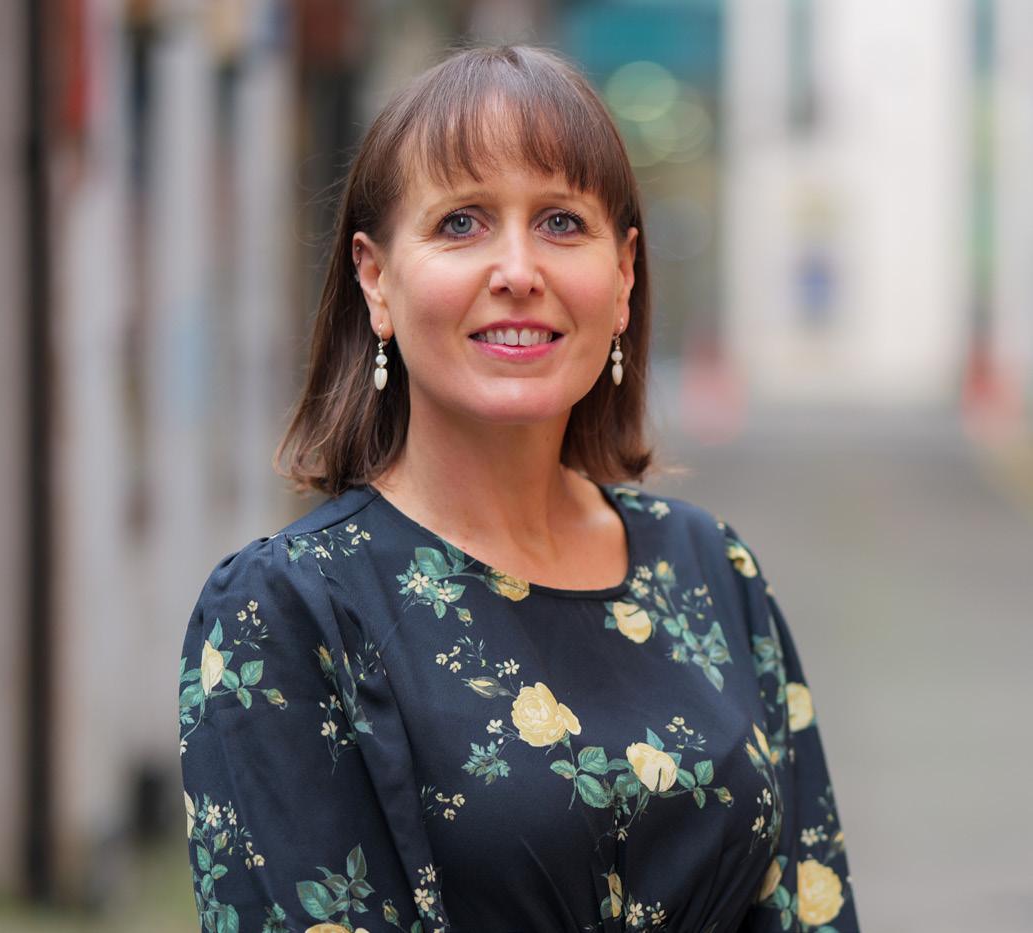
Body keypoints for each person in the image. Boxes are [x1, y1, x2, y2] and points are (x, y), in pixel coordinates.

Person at [178, 43, 861, 933]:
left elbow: (810, 896)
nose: (517, 270)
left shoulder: (708, 568)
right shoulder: (290, 612)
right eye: (461, 222)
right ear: (375, 278)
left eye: (561, 222)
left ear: (623, 276)